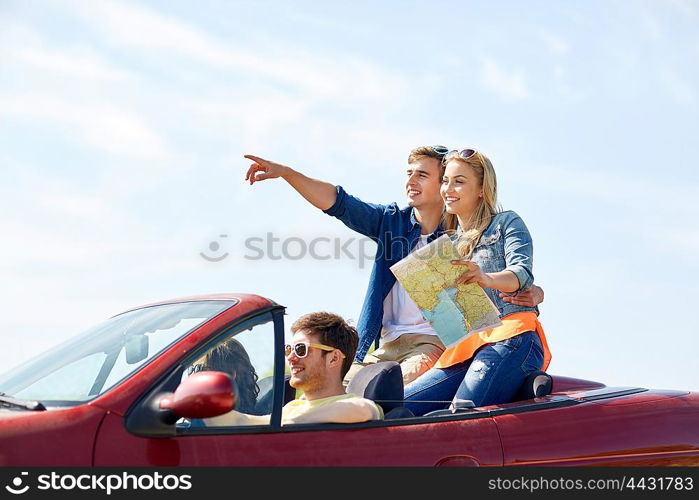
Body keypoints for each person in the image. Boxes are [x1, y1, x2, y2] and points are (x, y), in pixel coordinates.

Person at [243, 147, 544, 385]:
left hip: (434, 345)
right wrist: (286, 173)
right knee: (335, 393)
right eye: (409, 173)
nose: (410, 182)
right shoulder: (392, 222)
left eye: (422, 175)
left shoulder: (463, 234)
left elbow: (504, 272)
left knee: (380, 392)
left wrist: (535, 291)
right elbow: (338, 202)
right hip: (384, 345)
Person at [403, 149, 553, 416]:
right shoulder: (446, 244)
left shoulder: (506, 222)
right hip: (465, 347)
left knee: (458, 414)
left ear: (482, 189)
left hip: (511, 338)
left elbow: (520, 274)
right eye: (446, 181)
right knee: (399, 407)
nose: (448, 188)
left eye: (459, 181)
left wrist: (486, 278)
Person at [203, 311, 383, 426]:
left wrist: (292, 422)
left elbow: (363, 409)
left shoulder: (355, 406)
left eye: (301, 349)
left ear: (334, 358)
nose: (290, 357)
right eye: (289, 349)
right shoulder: (293, 407)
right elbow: (244, 421)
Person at [189, 337, 259, 414]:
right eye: (195, 370)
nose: (196, 377)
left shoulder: (229, 420)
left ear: (231, 374)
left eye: (202, 369)